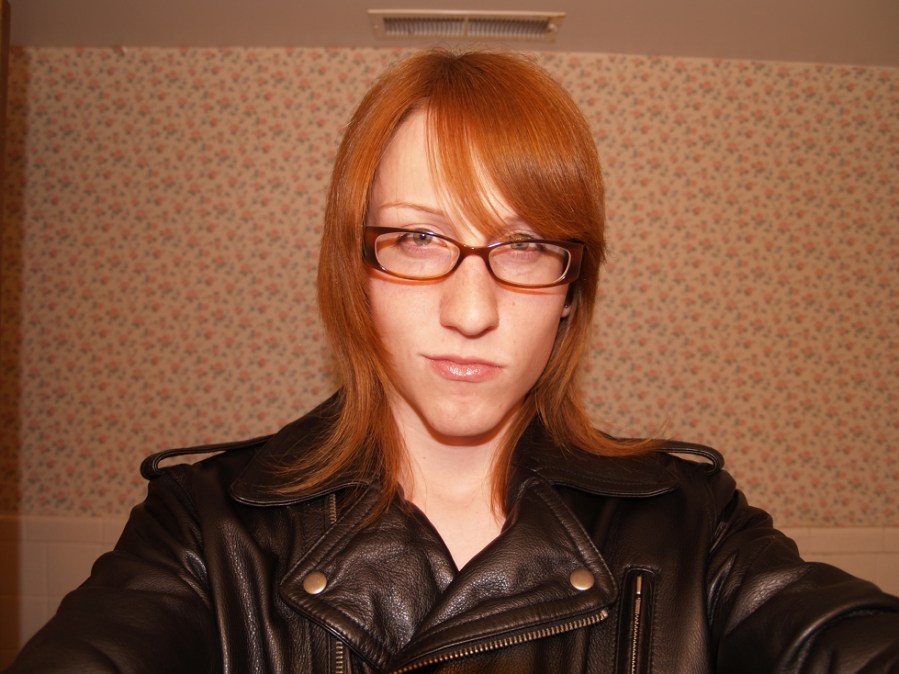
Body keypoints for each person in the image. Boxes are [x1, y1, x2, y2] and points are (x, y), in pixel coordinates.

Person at [7, 49, 899, 673]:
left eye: (525, 246)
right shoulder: (204, 530)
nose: (470, 311)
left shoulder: (691, 525)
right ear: (354, 272)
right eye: (416, 238)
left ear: (570, 290)